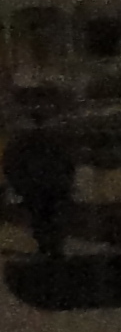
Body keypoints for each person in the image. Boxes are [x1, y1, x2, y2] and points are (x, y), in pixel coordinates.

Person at [2, 93, 74, 264]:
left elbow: (12, 165)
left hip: (39, 188)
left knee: (43, 216)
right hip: (45, 187)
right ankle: (50, 250)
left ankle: (48, 249)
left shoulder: (23, 141)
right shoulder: (49, 139)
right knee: (47, 216)